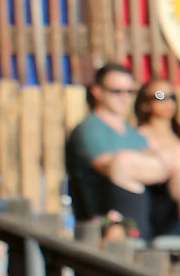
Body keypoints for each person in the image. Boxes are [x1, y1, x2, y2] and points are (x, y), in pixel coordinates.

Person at [65, 62, 180, 236]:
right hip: (109, 222)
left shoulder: (134, 135)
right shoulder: (89, 130)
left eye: (128, 91)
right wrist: (166, 164)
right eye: (116, 91)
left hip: (152, 220)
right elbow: (115, 167)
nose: (124, 97)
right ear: (97, 91)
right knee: (123, 163)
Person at [133, 78, 180, 242]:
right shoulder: (138, 137)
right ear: (144, 104)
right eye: (160, 96)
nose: (167, 102)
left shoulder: (177, 136)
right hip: (157, 208)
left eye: (172, 96)